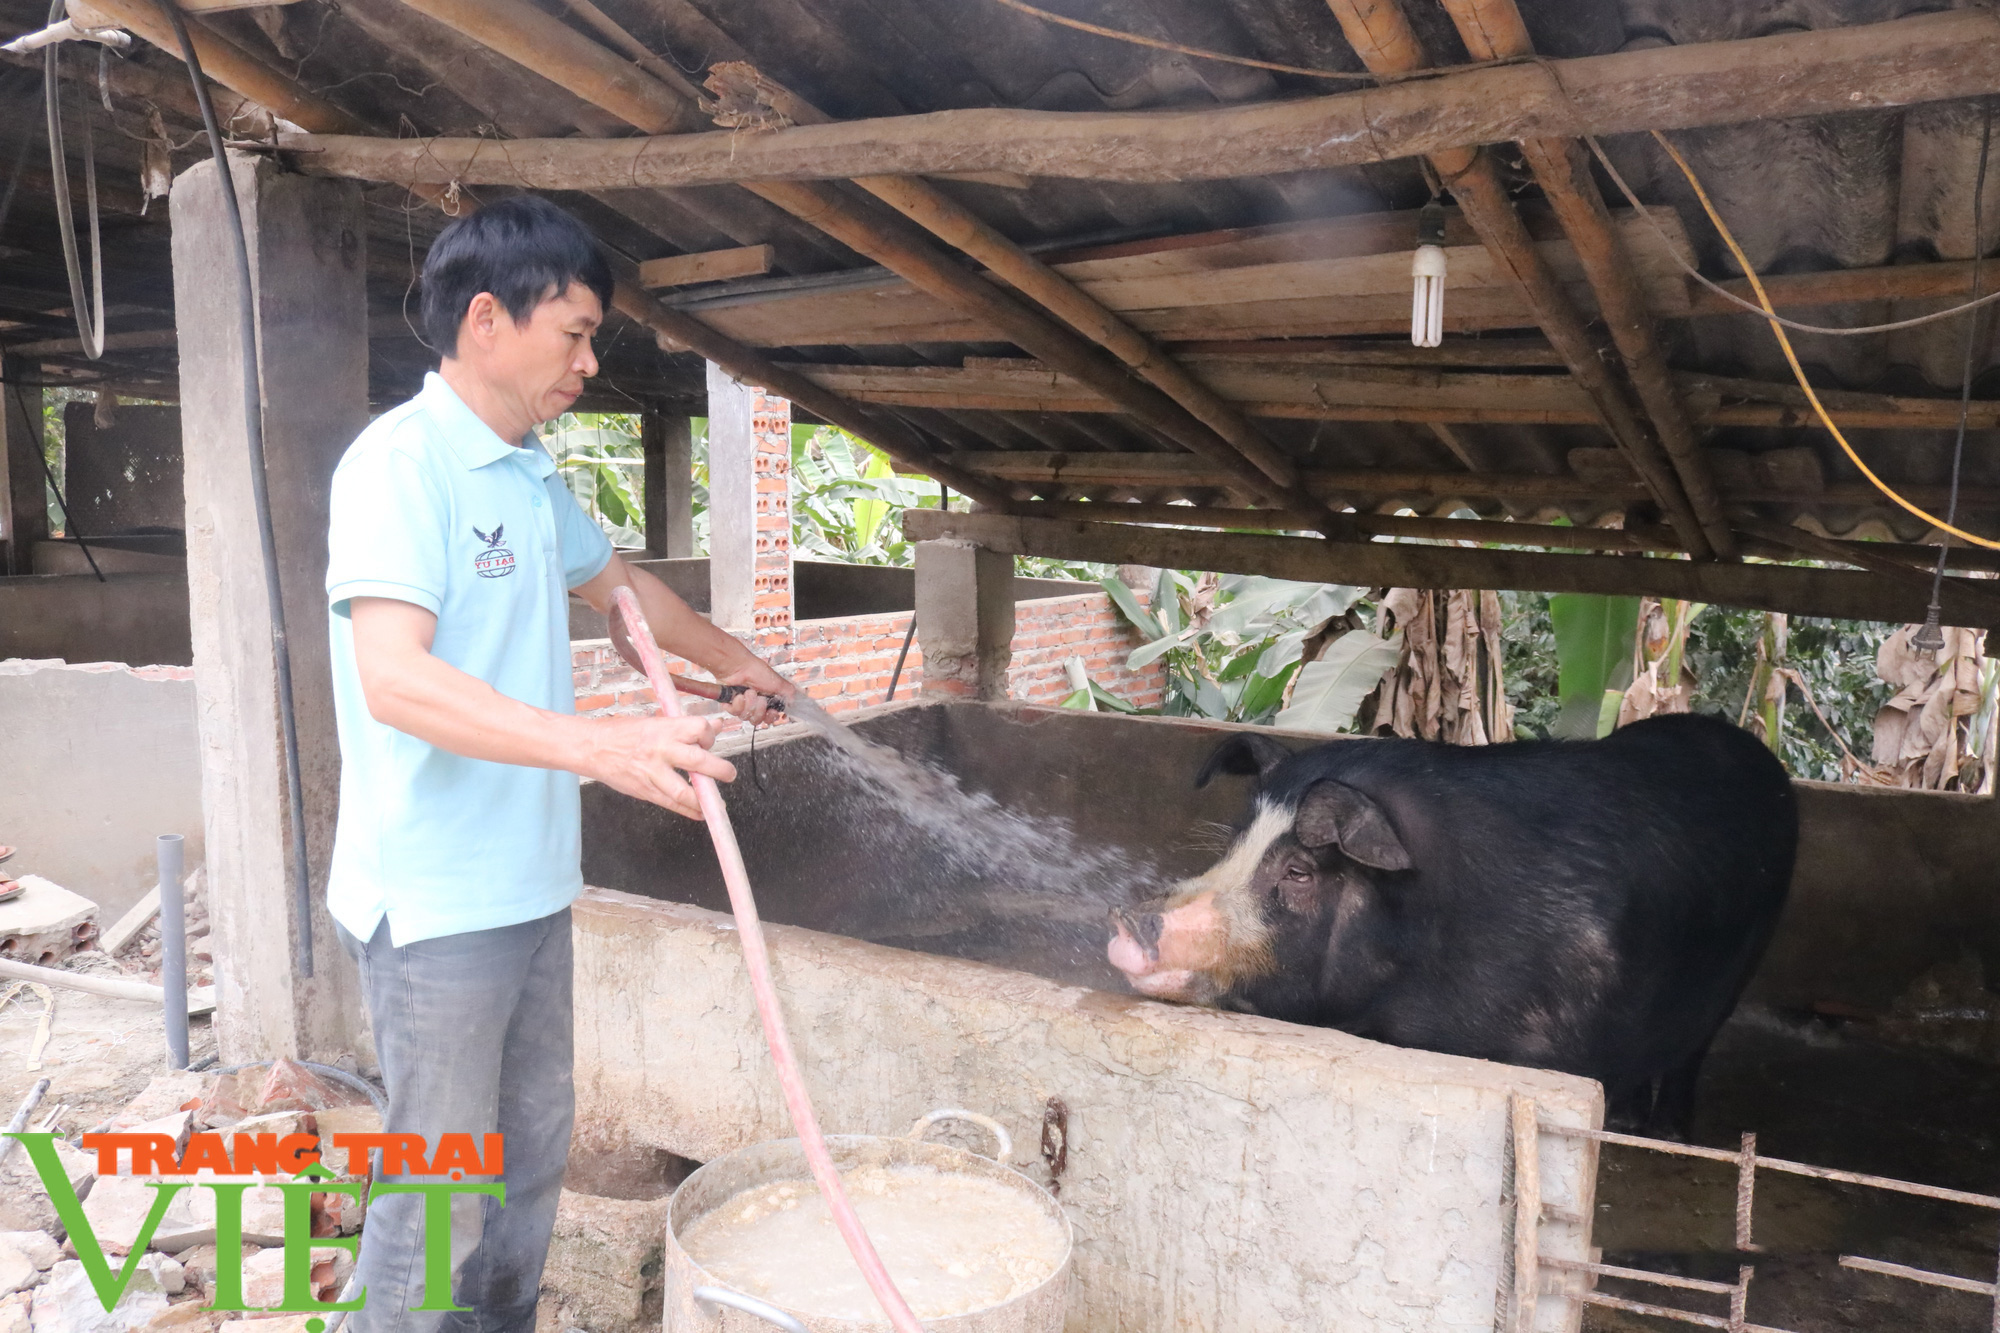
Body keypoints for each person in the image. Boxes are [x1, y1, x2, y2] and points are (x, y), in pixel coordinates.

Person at [323, 195, 790, 1332]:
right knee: (440, 1191)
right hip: (435, 900)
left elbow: (619, 588)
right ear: (487, 319)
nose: (588, 363)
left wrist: (737, 663)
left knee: (527, 1163)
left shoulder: (526, 473)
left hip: (530, 883)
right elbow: (397, 678)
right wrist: (603, 742)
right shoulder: (400, 464)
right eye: (573, 333)